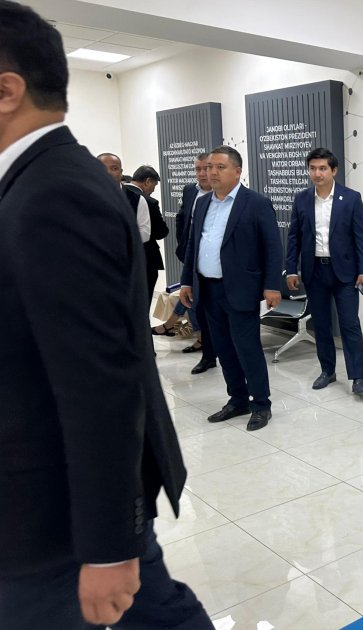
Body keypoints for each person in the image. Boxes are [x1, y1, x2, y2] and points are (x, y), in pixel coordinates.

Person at [0, 2, 212, 628]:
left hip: (55, 514)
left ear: (7, 91)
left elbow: (102, 384)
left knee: (154, 610)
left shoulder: (55, 192)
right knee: (159, 611)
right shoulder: (35, 182)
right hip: (48, 503)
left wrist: (109, 546)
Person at [180, 145, 283, 431]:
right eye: (209, 167)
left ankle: (261, 404)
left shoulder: (256, 203)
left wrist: (272, 286)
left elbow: (273, 248)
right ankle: (238, 399)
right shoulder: (203, 203)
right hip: (208, 289)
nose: (212, 172)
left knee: (247, 349)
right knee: (224, 349)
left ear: (237, 171)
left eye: (220, 167)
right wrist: (187, 280)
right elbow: (193, 245)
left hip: (240, 289)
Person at [285, 147, 363, 395]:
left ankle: (357, 377)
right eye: (312, 168)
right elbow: (294, 237)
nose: (317, 173)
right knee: (321, 325)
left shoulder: (351, 198)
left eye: (322, 168)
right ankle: (327, 371)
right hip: (315, 272)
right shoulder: (302, 199)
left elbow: (360, 238)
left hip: (345, 273)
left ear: (334, 170)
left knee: (350, 324)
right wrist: (291, 269)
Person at [163, 153, 218, 373]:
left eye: (207, 168)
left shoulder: (221, 194)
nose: (203, 173)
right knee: (196, 303)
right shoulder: (189, 191)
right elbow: (182, 217)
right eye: (198, 169)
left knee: (210, 309)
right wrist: (183, 245)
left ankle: (174, 325)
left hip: (216, 262)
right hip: (192, 257)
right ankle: (208, 354)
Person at [127, 165, 170, 301]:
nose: (153, 190)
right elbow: (161, 231)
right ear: (148, 181)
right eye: (154, 185)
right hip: (145, 259)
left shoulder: (116, 195)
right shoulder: (148, 201)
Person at [98, 152, 152, 245]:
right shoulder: (85, 198)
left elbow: (145, 232)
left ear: (121, 172)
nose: (109, 173)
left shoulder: (137, 199)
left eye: (114, 168)